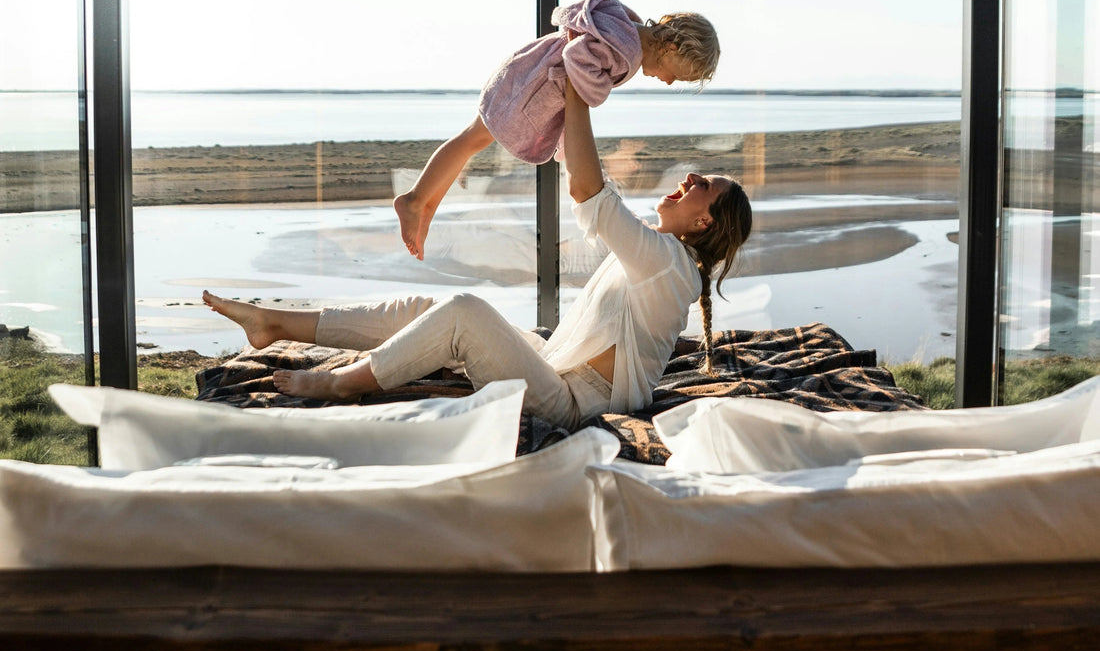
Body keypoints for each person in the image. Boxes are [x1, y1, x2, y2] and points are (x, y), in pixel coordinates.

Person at [203, 80, 751, 431]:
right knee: (430, 309)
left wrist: (581, 92)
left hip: (572, 402)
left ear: (704, 221)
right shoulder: (661, 256)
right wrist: (557, 97)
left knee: (464, 312)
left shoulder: (670, 266)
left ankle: (343, 383)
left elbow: (590, 193)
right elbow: (592, 180)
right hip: (553, 364)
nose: (689, 177)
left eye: (703, 184)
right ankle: (277, 323)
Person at [394, 0, 720, 259]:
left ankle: (425, 205)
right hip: (531, 86)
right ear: (673, 48)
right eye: (677, 75)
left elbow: (590, 27)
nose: (668, 81)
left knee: (472, 140)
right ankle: (414, 200)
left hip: (528, 69)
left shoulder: (627, 26)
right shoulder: (627, 51)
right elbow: (577, 56)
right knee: (471, 140)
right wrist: (596, 93)